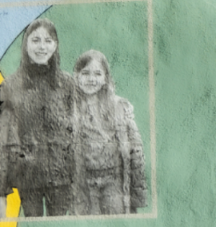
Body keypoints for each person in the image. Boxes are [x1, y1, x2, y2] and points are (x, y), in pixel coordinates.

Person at [0, 18, 77, 216]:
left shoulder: (68, 84)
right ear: (25, 44)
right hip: (27, 178)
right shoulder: (11, 85)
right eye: (35, 40)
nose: (42, 47)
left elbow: (77, 133)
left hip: (61, 179)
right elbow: (3, 138)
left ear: (56, 45)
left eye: (48, 40)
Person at [72, 50, 147, 216]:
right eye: (85, 73)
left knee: (116, 221)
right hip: (85, 183)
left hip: (114, 180)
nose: (91, 79)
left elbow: (136, 147)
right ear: (76, 76)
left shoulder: (120, 107)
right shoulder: (70, 109)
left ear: (105, 78)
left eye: (97, 74)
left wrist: (137, 194)